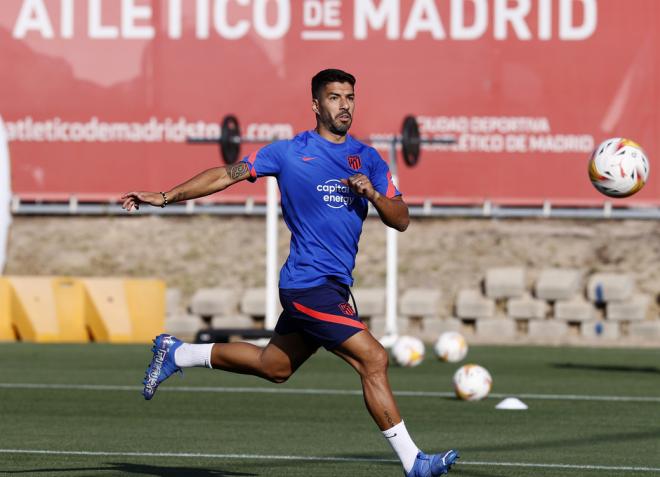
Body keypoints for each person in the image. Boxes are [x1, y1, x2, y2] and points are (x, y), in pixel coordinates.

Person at [121, 69, 459, 477]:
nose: (344, 105)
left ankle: (178, 352)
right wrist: (166, 196)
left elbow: (401, 218)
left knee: (274, 366)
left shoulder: (368, 159)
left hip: (333, 286)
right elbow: (225, 174)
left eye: (350, 97)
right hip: (305, 285)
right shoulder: (287, 153)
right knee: (373, 358)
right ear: (316, 105)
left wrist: (372, 193)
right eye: (334, 98)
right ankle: (414, 463)